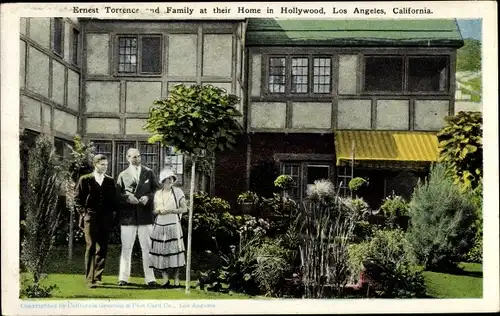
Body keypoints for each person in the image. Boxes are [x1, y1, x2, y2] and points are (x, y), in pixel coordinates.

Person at [116, 148, 159, 287]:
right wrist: (127, 198)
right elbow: (117, 195)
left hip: (145, 216)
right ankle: (123, 278)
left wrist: (148, 197)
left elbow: (156, 191)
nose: (137, 159)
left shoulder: (149, 172)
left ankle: (150, 278)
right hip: (128, 217)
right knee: (126, 248)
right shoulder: (122, 175)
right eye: (134, 157)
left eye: (139, 156)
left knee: (147, 248)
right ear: (128, 158)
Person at [74, 154, 117, 288]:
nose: (105, 167)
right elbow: (77, 199)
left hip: (105, 218)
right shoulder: (85, 179)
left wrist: (111, 215)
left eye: (106, 165)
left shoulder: (110, 181)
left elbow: (113, 200)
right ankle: (89, 279)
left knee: (102, 247)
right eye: (102, 164)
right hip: (90, 217)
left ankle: (98, 277)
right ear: (95, 164)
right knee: (91, 245)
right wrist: (84, 213)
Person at [149, 168, 187, 288]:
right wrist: (159, 211)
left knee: (174, 252)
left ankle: (176, 279)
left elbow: (184, 209)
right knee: (161, 253)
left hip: (173, 225)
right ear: (163, 180)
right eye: (168, 178)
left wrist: (171, 210)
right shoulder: (158, 194)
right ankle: (165, 279)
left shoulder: (178, 192)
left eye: (172, 178)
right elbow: (155, 210)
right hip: (160, 226)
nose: (170, 180)